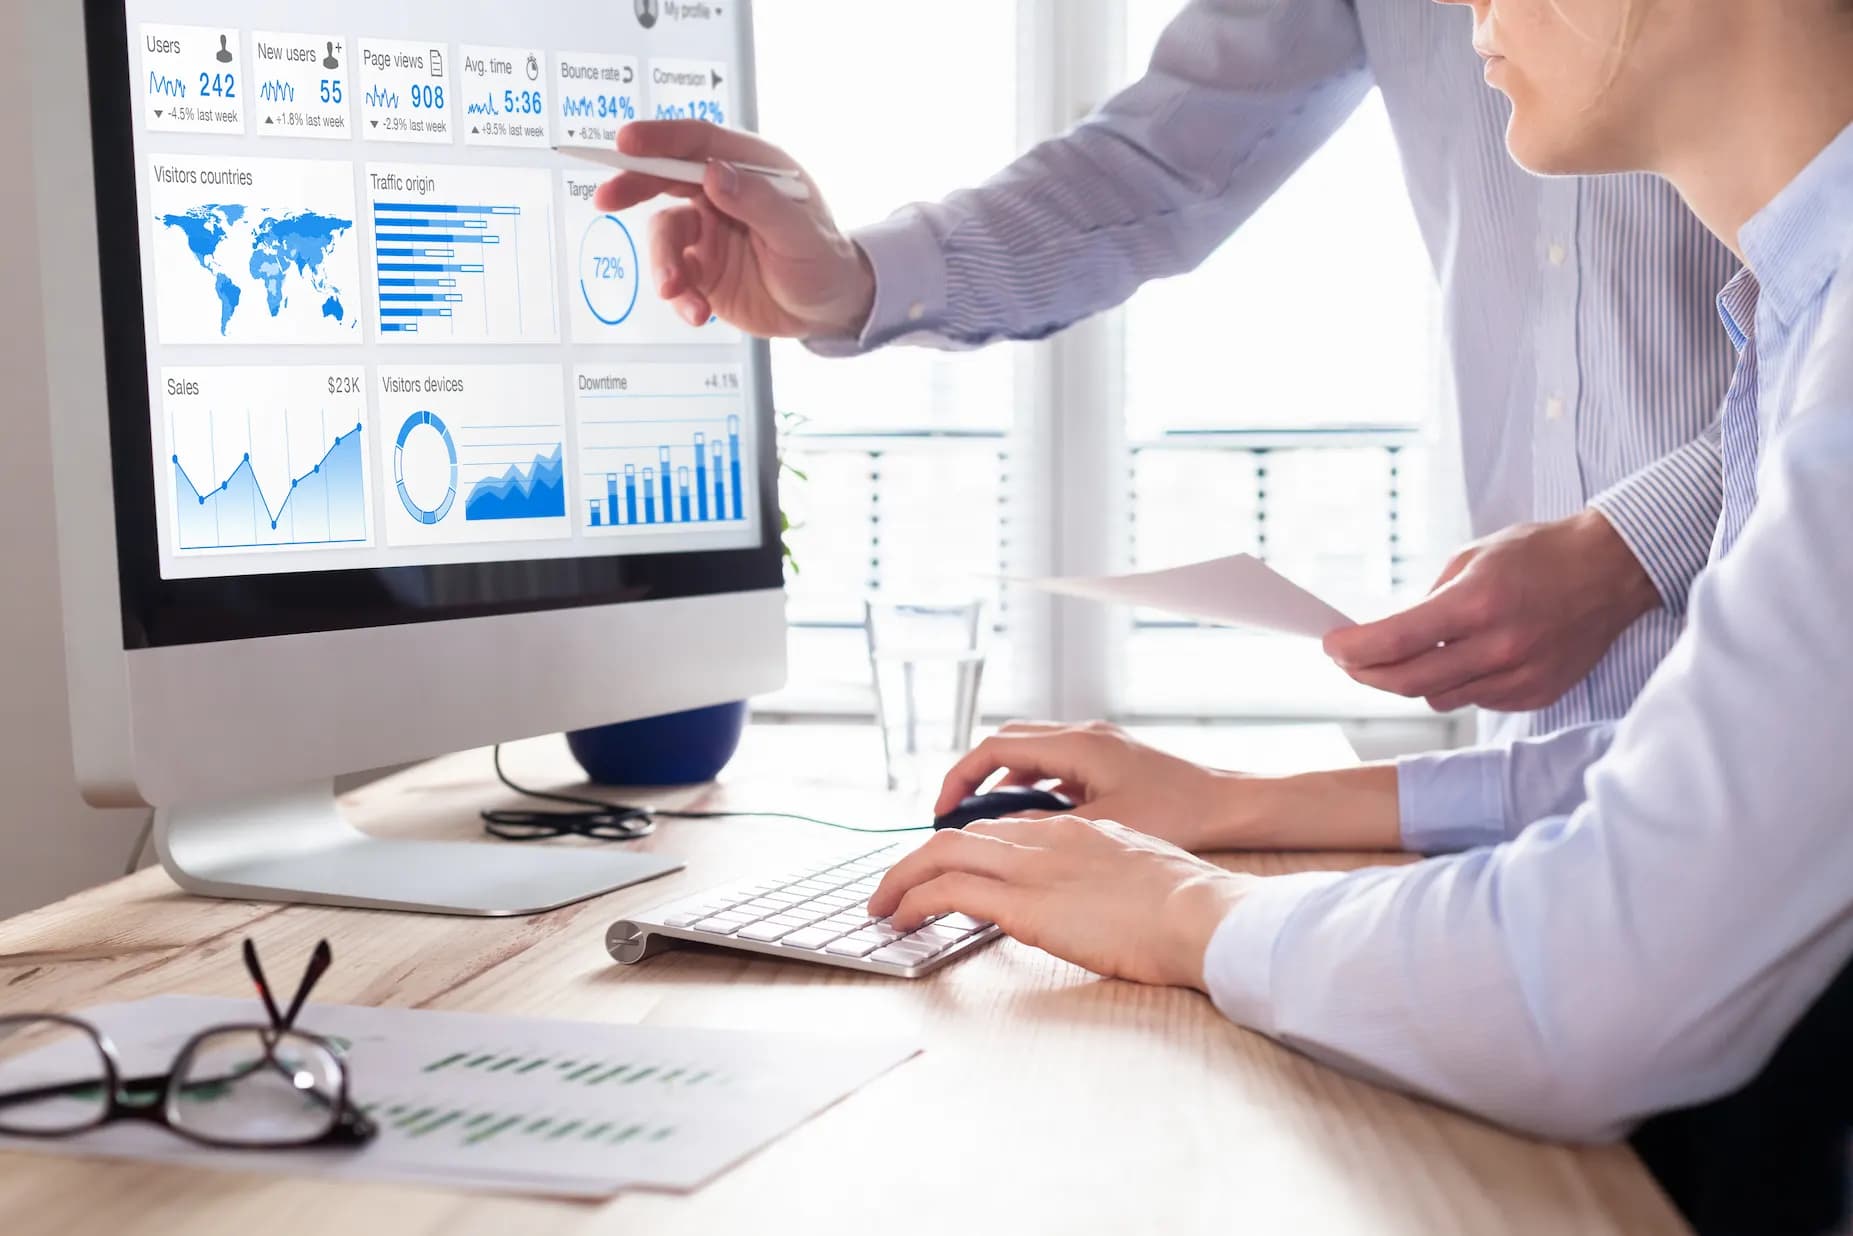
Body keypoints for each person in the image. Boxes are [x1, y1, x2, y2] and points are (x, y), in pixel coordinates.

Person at [862, 0, 1853, 1214]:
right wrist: (1236, 810)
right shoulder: (1793, 318)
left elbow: (1595, 980)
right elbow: (1713, 778)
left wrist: (1184, 912)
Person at [595, 0, 1737, 745]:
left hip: (1784, 697)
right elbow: (1159, 165)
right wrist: (848, 280)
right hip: (1537, 748)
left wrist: (1637, 544)